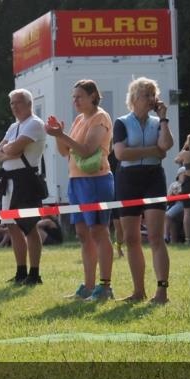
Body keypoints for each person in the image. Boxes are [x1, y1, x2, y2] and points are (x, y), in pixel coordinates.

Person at [46, 80, 114, 300]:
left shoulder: (100, 118)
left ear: (93, 96)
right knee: (83, 234)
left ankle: (105, 287)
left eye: (79, 96)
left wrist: (62, 135)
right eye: (73, 97)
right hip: (76, 181)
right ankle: (89, 286)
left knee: (98, 232)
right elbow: (65, 151)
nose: (75, 100)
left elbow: (86, 150)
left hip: (96, 181)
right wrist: (58, 135)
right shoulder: (78, 119)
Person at [112, 77, 173, 304]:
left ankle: (162, 292)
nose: (151, 99)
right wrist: (152, 150)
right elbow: (120, 154)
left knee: (156, 237)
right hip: (127, 180)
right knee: (131, 238)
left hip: (153, 178)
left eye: (153, 95)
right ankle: (139, 291)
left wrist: (164, 118)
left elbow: (166, 146)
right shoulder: (121, 122)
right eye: (146, 95)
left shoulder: (158, 122)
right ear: (134, 99)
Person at [0, 89, 47, 287]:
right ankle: (20, 272)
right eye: (11, 103)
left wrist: (8, 150)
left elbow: (13, 148)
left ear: (28, 103)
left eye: (18, 102)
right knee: (11, 226)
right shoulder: (13, 126)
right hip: (9, 181)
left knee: (29, 226)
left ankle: (34, 274)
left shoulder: (34, 123)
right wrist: (8, 152)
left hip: (25, 180)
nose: (14, 106)